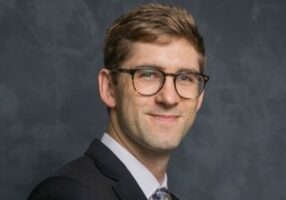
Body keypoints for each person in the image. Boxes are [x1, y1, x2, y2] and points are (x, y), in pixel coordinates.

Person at [28, 3, 209, 200]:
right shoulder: (68, 193)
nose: (169, 98)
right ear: (109, 88)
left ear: (200, 97)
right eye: (148, 74)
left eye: (185, 78)